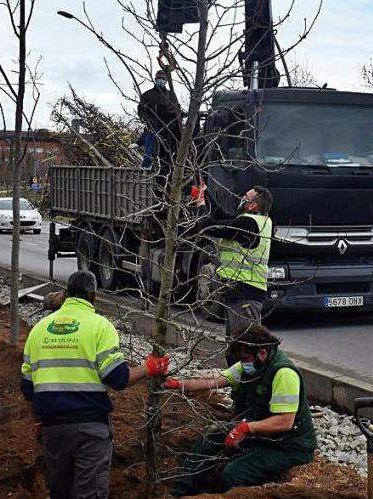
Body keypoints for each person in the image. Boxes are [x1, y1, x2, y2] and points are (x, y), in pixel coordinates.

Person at [21, 271, 170, 499]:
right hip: (90, 427)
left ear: (65, 295)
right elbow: (117, 378)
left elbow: (28, 388)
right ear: (93, 296)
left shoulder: (39, 330)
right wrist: (148, 369)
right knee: (90, 494)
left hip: (54, 429)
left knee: (60, 492)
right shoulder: (100, 326)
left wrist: (40, 423)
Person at [165, 324, 316, 496]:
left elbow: (285, 421)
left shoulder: (284, 374)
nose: (242, 364)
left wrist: (246, 428)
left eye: (245, 359)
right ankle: (180, 491)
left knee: (233, 475)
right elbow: (215, 380)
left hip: (288, 447)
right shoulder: (249, 366)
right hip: (263, 436)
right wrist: (180, 384)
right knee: (212, 435)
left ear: (262, 353)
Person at [201, 186, 273, 344]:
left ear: (253, 205)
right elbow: (222, 216)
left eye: (246, 196)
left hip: (245, 291)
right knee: (235, 346)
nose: (241, 197)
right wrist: (205, 192)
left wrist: (199, 204)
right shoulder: (259, 220)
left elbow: (209, 226)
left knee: (243, 347)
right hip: (242, 290)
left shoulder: (247, 223)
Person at [139, 70, 183, 177]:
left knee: (169, 159)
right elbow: (141, 111)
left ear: (166, 81)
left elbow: (177, 109)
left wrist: (176, 115)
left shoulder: (171, 95)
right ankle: (148, 168)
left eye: (163, 79)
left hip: (170, 132)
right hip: (154, 128)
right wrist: (149, 119)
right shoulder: (147, 95)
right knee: (150, 144)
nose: (161, 80)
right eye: (159, 78)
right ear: (155, 79)